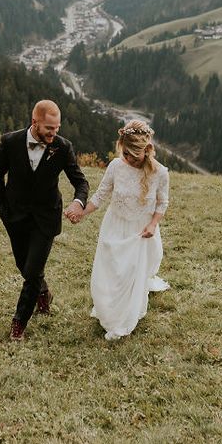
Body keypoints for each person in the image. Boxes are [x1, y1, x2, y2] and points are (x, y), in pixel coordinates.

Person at [0, 99, 89, 341]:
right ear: (35, 123)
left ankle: (19, 323)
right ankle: (43, 293)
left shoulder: (63, 148)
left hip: (46, 218)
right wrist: (2, 207)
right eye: (49, 129)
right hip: (15, 216)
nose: (54, 133)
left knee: (32, 271)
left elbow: (80, 181)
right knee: (25, 268)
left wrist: (78, 202)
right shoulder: (10, 141)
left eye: (57, 128)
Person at [67, 119, 169, 340]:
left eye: (134, 155)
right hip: (114, 225)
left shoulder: (160, 173)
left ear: (146, 150)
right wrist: (80, 212)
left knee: (131, 275)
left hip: (141, 231)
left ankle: (124, 318)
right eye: (125, 154)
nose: (129, 159)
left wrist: (152, 225)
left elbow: (162, 203)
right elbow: (100, 196)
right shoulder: (115, 166)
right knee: (111, 272)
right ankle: (108, 309)